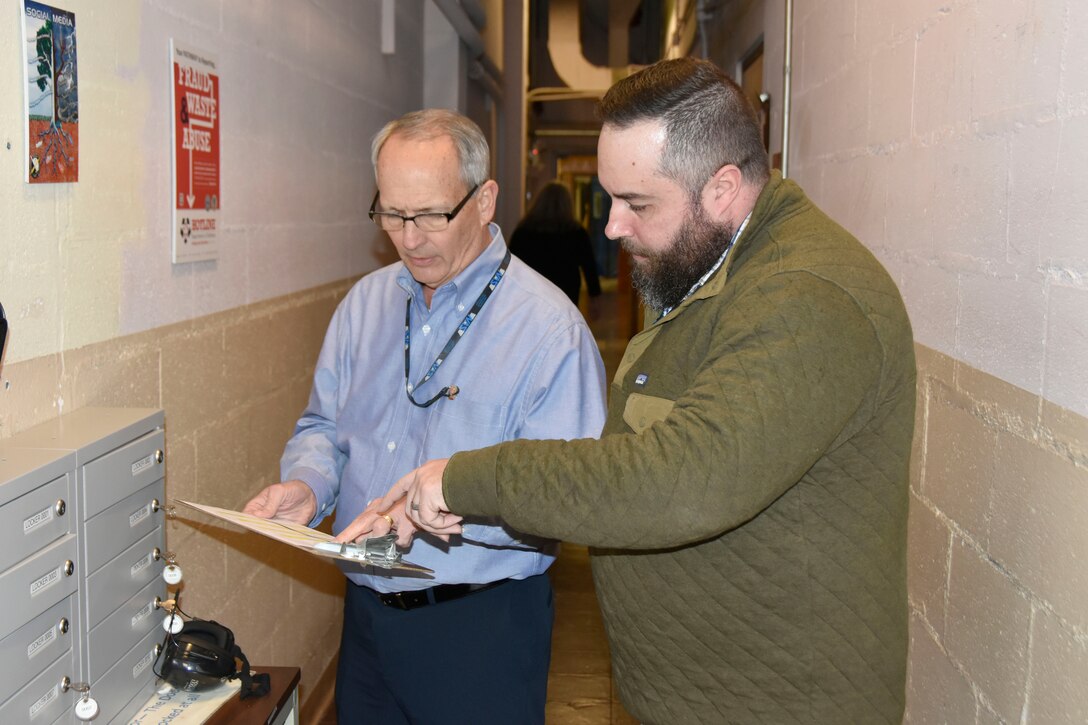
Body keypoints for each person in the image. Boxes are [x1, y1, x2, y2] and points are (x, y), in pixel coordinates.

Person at [344, 59, 916, 724]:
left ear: (723, 188)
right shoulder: (713, 269)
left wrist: (464, 478)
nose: (612, 226)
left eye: (637, 203)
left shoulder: (805, 297)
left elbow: (682, 476)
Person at [242, 109, 607, 724]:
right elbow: (325, 428)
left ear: (485, 200)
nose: (409, 239)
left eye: (432, 215)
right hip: (366, 617)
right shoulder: (365, 305)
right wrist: (310, 486)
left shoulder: (549, 333)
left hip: (481, 627)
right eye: (391, 214)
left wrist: (442, 506)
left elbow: (568, 497)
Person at [509, 181, 602, 307]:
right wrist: (594, 295)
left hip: (531, 295)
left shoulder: (523, 232)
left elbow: (510, 266)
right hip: (566, 294)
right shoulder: (576, 233)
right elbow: (589, 266)